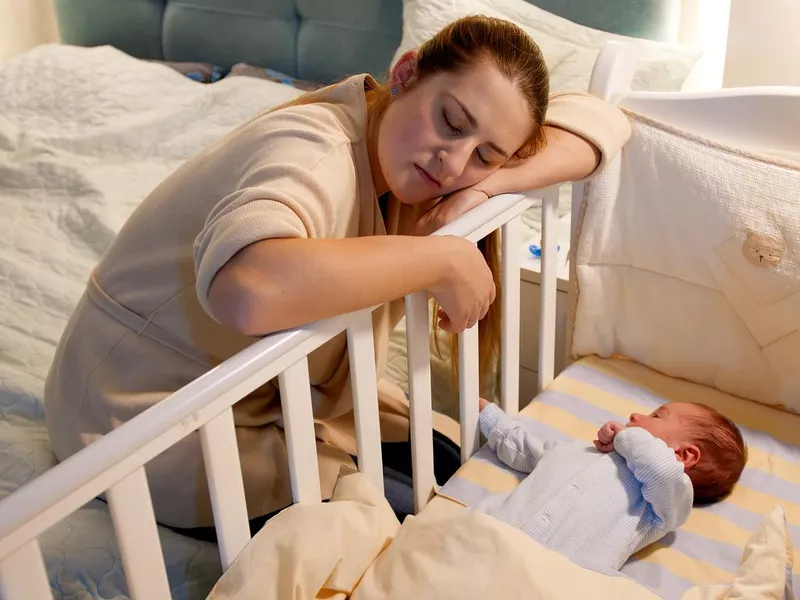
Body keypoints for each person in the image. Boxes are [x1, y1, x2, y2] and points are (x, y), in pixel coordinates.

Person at [44, 15, 632, 532]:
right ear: (404, 73)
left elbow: (603, 122)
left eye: (485, 152)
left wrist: (488, 186)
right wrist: (442, 258)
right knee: (416, 525)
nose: (452, 163)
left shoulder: (418, 163)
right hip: (135, 417)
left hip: (265, 396)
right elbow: (247, 289)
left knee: (458, 468)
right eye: (451, 122)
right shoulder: (315, 149)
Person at [477, 399, 748, 570]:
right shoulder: (576, 450)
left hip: (555, 581)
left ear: (682, 455)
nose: (635, 414)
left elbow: (660, 468)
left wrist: (625, 437)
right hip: (491, 540)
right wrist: (487, 414)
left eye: (656, 415)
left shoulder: (663, 504)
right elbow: (524, 449)